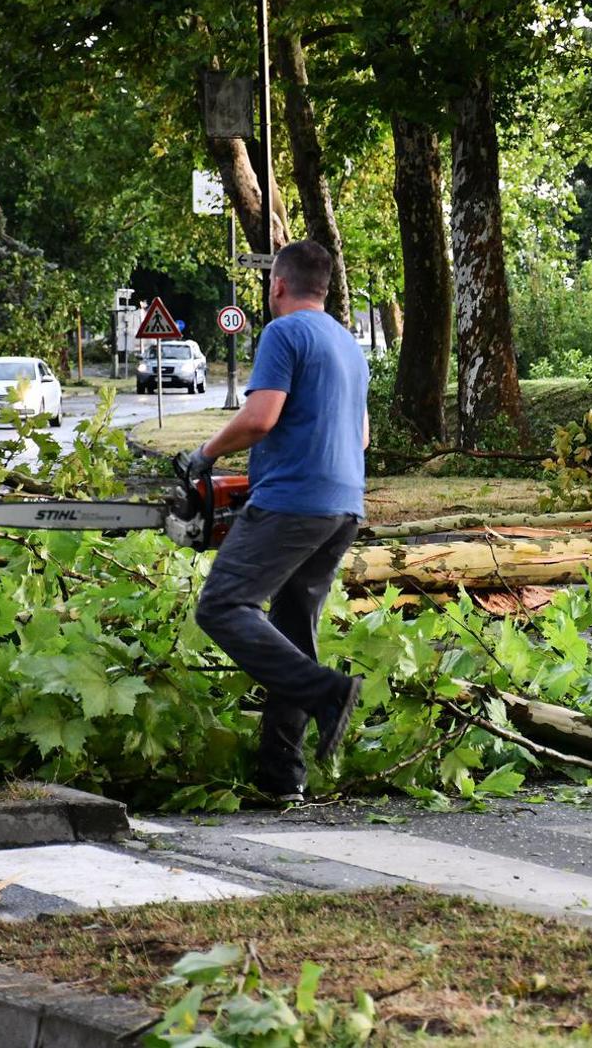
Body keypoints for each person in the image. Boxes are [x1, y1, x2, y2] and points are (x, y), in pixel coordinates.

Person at [179, 239, 371, 805]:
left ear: (278, 285)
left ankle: (327, 693)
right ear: (327, 288)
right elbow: (360, 437)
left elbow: (261, 418)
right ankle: (282, 777)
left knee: (222, 606)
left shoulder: (283, 333)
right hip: (343, 507)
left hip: (294, 502)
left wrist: (205, 455)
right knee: (292, 634)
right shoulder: (349, 345)